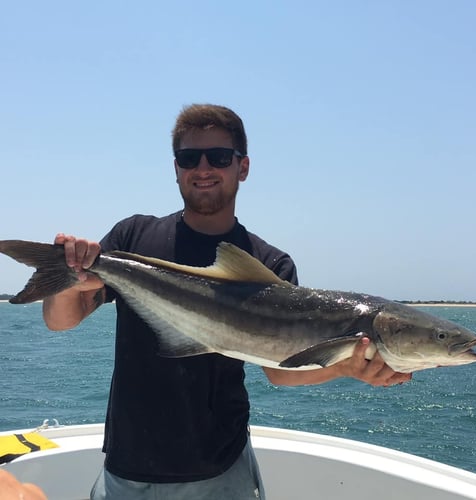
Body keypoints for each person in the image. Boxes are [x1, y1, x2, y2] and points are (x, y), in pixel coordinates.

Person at [43, 104, 411, 499]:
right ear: (176, 169)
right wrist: (70, 278)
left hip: (219, 473)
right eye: (189, 158)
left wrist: (348, 368)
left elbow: (282, 371)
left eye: (218, 157)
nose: (203, 169)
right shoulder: (134, 237)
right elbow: (60, 319)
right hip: (125, 470)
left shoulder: (269, 265)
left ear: (243, 167)